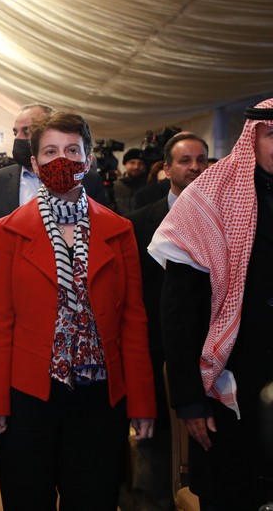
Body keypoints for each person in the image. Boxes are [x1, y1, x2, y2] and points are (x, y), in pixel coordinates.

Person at [0, 111, 156, 510]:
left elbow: (133, 320)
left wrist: (142, 402)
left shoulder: (119, 230)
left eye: (72, 150)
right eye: (51, 151)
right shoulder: (9, 230)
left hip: (99, 399)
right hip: (28, 397)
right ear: (35, 162)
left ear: (88, 160)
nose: (62, 160)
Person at [149, 98, 273, 510]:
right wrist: (189, 400)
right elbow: (179, 314)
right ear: (251, 140)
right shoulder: (209, 198)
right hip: (228, 388)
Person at [126, 132, 208, 511]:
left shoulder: (222, 217)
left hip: (206, 344)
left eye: (201, 160)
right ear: (167, 168)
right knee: (156, 433)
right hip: (152, 340)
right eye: (185, 160)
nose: (194, 167)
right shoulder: (139, 222)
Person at [0, 103, 107, 271]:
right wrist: (8, 272)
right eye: (15, 132)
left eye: (26, 131)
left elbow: (103, 235)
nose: (18, 138)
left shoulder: (89, 180)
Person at [112, 148, 147, 214]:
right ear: (125, 164)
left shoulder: (148, 185)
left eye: (140, 163)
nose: (136, 167)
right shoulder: (114, 186)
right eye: (132, 163)